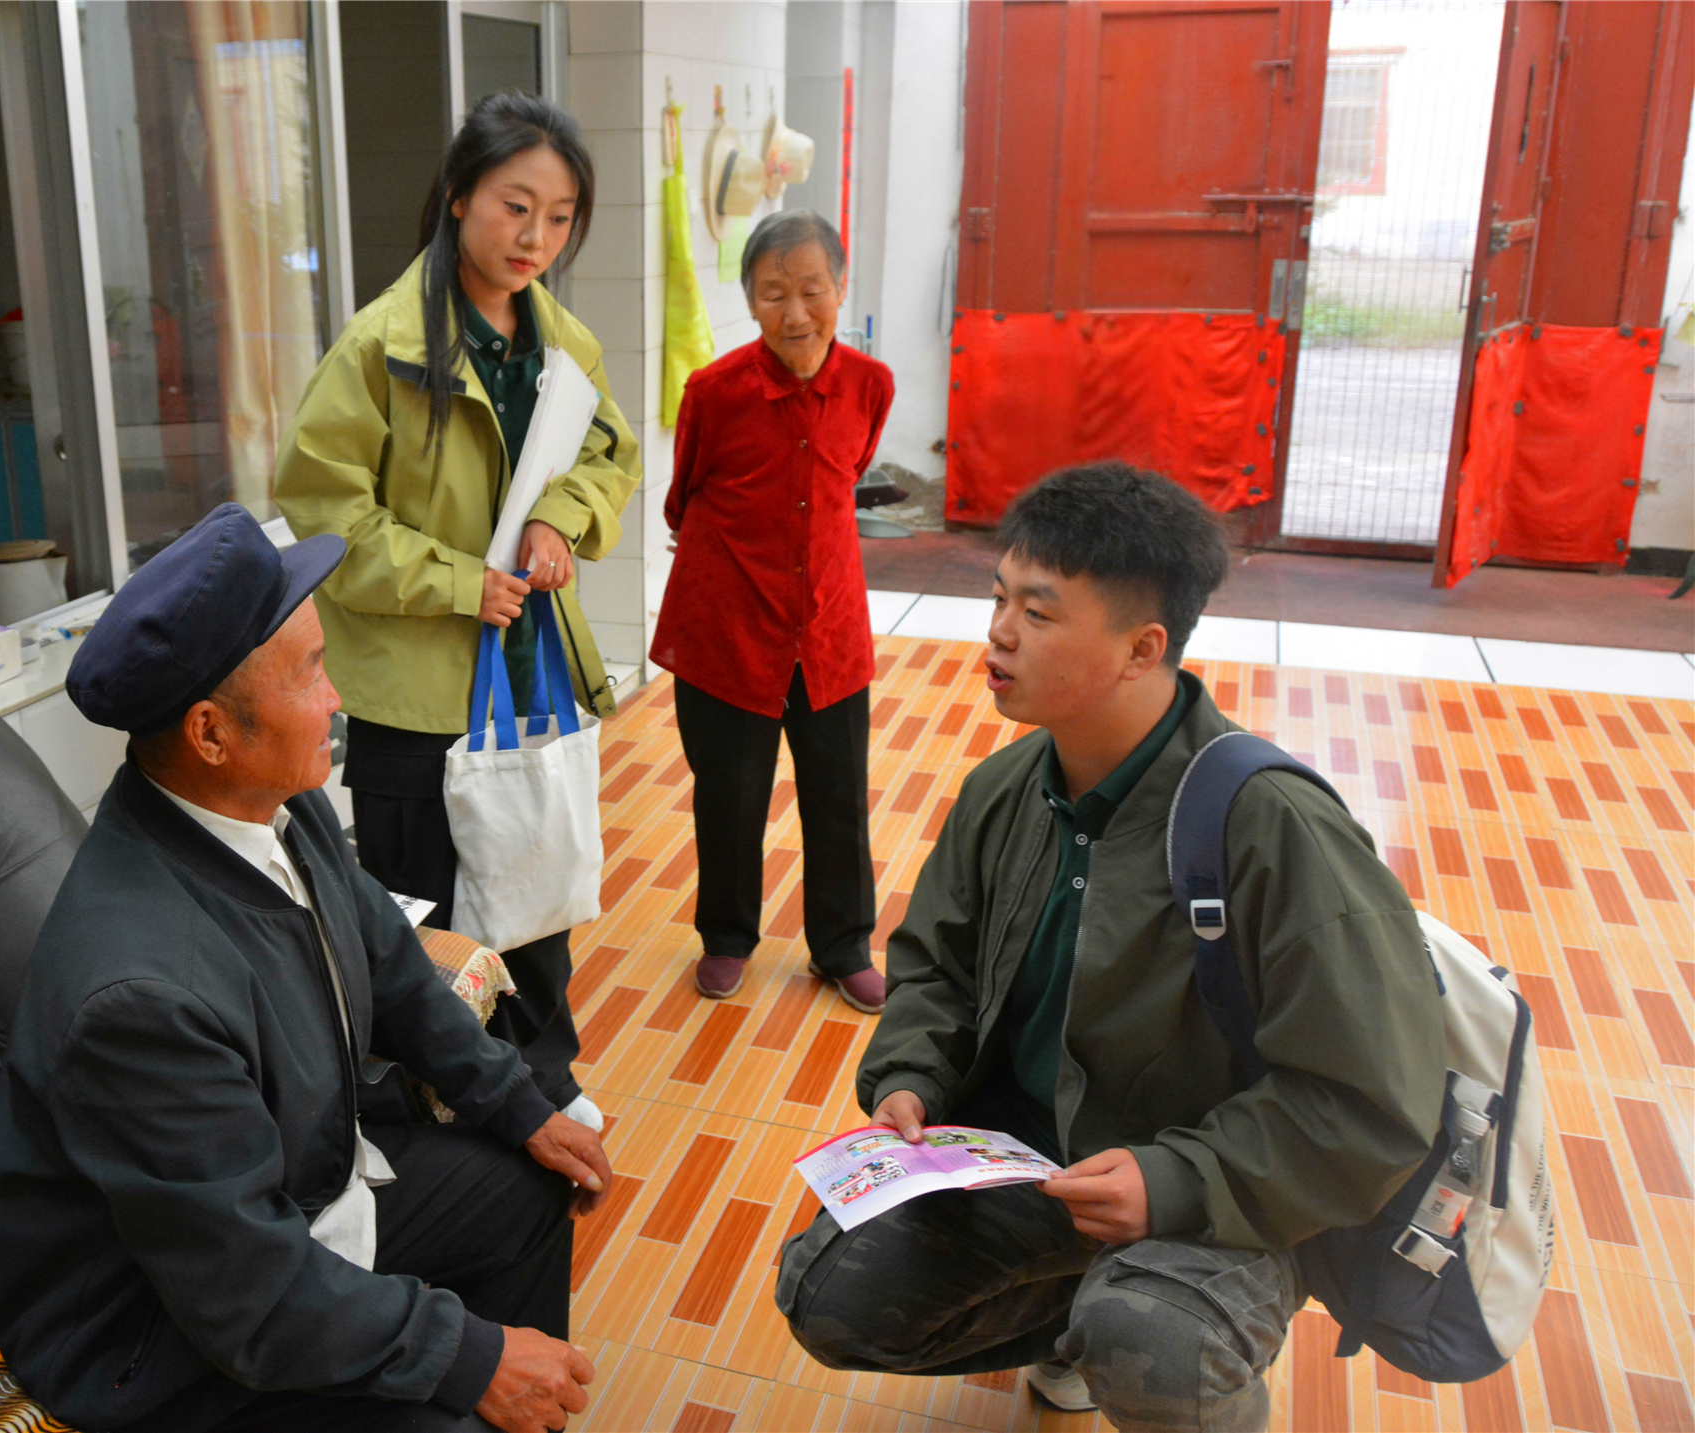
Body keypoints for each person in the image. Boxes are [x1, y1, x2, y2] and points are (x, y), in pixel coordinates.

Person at [776, 464, 1447, 1430]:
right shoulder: (1007, 788)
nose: (1000, 632)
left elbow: (1373, 1103)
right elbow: (937, 965)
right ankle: (1073, 1330)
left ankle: (1145, 1325)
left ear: (1143, 647)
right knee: (830, 1289)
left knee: (1157, 1340)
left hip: (1232, 1185)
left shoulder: (1274, 827)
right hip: (1047, 1159)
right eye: (998, 598)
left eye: (1039, 612)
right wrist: (913, 1073)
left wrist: (1176, 1181)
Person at [0, 505, 613, 1433]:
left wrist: (517, 1101)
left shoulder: (276, 803)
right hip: (164, 1333)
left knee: (525, 1188)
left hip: (296, 1196)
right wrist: (469, 1357)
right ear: (210, 733)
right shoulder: (140, 997)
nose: (336, 696)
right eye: (311, 670)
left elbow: (392, 965)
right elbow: (248, 1292)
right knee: (454, 1410)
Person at [274, 94, 639, 1133]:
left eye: (559, 217)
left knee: (535, 880)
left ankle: (546, 1072)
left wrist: (562, 518)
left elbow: (610, 455)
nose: (535, 238)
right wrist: (454, 580)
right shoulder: (380, 346)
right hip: (413, 688)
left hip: (526, 665)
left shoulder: (562, 341)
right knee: (421, 906)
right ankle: (438, 1096)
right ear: (457, 196)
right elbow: (325, 512)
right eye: (515, 207)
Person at [650, 211, 894, 1014]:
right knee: (728, 792)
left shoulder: (869, 384)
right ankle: (726, 936)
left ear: (839, 288)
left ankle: (843, 945)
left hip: (828, 628)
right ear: (750, 299)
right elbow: (682, 498)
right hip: (727, 627)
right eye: (773, 293)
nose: (795, 313)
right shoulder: (712, 392)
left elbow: (848, 470)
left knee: (839, 791)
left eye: (811, 290)